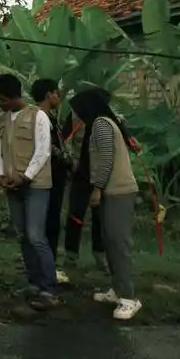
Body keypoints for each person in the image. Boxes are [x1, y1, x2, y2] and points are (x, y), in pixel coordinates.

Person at [71, 87, 142, 321]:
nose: (77, 116)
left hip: (117, 190)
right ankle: (117, 289)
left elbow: (105, 159)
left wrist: (97, 189)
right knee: (110, 241)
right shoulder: (105, 122)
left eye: (78, 110)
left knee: (118, 243)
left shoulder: (101, 124)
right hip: (113, 189)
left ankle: (129, 298)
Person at [0, 72, 59, 310]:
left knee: (36, 236)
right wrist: (1, 174)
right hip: (13, 185)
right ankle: (34, 282)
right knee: (22, 235)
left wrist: (25, 177)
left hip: (35, 185)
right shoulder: (2, 118)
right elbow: (0, 148)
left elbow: (43, 152)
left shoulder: (38, 116)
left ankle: (49, 289)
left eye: (2, 98)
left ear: (13, 97)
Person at [31, 77, 72, 285]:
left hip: (55, 175)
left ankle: (46, 266)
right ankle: (46, 269)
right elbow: (46, 147)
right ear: (49, 95)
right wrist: (66, 158)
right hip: (49, 176)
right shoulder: (40, 117)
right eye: (56, 92)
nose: (59, 96)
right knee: (48, 223)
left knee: (51, 222)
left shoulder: (50, 117)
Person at [64, 106, 108, 275]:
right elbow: (65, 138)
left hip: (101, 173)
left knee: (100, 216)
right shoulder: (75, 115)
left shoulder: (106, 114)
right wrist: (70, 161)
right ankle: (71, 255)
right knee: (75, 214)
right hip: (80, 173)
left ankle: (100, 255)